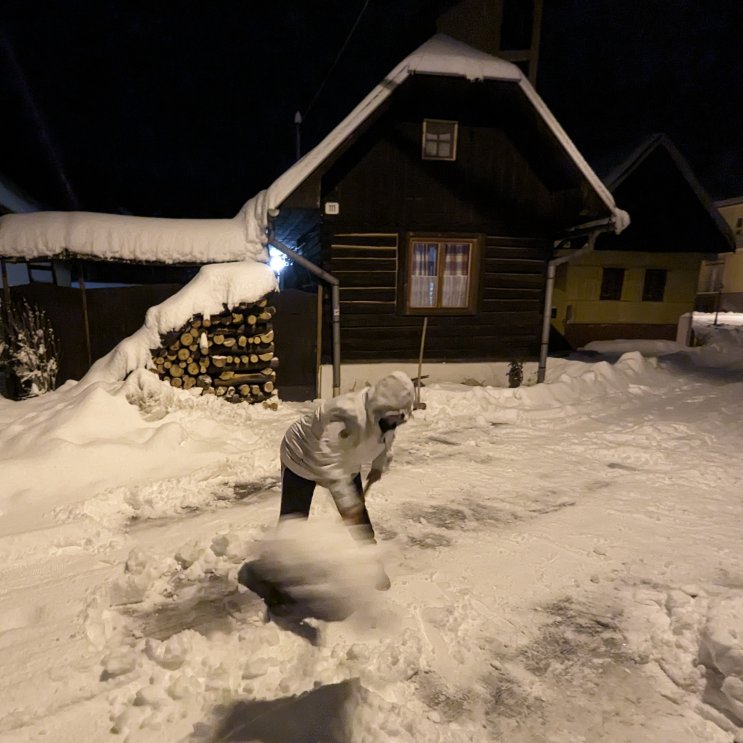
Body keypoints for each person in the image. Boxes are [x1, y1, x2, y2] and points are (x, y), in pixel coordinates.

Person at [279, 371, 415, 576]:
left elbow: (387, 438)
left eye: (401, 416)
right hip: (303, 455)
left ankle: (371, 562)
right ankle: (280, 571)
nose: (399, 421)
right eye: (397, 415)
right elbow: (330, 463)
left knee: (358, 516)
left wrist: (379, 465)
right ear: (383, 405)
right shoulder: (345, 415)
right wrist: (347, 503)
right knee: (294, 519)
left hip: (344, 459)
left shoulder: (388, 416)